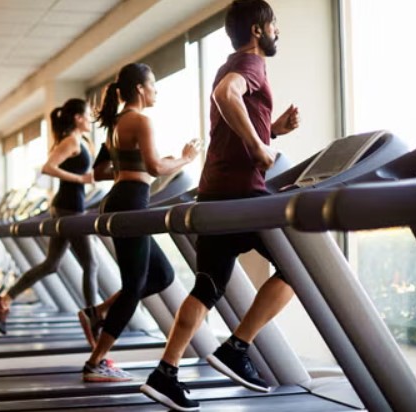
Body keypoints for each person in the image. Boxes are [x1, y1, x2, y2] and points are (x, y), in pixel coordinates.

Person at [140, 1, 300, 410]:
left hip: (215, 192)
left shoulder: (233, 62)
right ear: (258, 29)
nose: (277, 32)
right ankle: (237, 347)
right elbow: (225, 94)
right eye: (274, 25)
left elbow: (232, 109)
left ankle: (165, 373)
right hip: (242, 194)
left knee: (207, 286)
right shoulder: (250, 64)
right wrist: (259, 147)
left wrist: (271, 131)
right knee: (300, 269)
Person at [81, 63, 200, 382]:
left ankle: (99, 313)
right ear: (139, 89)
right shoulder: (140, 121)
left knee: (161, 275)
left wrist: (127, 172)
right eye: (153, 84)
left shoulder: (116, 123)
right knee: (134, 287)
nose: (156, 90)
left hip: (122, 198)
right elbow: (157, 165)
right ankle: (95, 362)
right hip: (131, 200)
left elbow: (101, 171)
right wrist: (186, 158)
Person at [0, 98, 117, 336]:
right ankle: (92, 316)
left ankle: (4, 300)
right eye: (87, 115)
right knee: (90, 263)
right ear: (78, 118)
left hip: (70, 207)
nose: (90, 119)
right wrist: (79, 179)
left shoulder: (83, 141)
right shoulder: (71, 141)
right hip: (68, 209)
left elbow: (89, 173)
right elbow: (48, 168)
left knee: (51, 264)